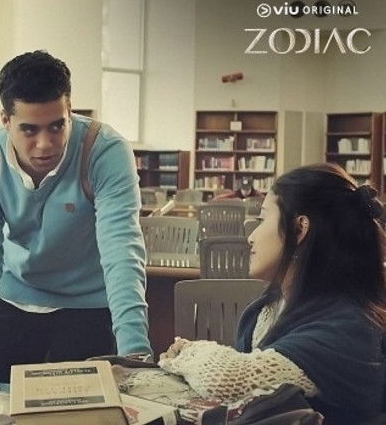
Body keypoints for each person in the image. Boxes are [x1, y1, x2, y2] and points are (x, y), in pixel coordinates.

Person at [0, 50, 150, 382]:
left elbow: (121, 249)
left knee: (88, 407)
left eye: (57, 126)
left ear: (69, 110)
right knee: (6, 403)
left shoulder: (105, 151)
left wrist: (135, 350)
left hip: (89, 305)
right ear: (6, 120)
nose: (44, 144)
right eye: (29, 130)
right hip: (13, 299)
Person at [158, 163, 386, 422]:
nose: (251, 237)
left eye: (262, 219)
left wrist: (187, 351)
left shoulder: (347, 327)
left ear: (300, 229)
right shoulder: (267, 309)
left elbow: (229, 379)